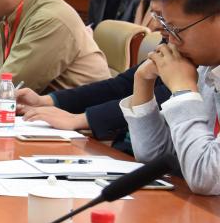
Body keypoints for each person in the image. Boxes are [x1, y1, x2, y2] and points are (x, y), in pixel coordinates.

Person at [120, 0, 220, 195]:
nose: (170, 41)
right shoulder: (207, 65)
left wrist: (184, 92)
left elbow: (207, 177)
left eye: (175, 29)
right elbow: (160, 159)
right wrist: (143, 82)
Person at [16, 64, 171, 155]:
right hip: (126, 153)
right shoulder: (170, 42)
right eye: (159, 19)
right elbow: (120, 86)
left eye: (168, 24)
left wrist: (79, 119)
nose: (158, 26)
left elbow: (166, 96)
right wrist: (45, 101)